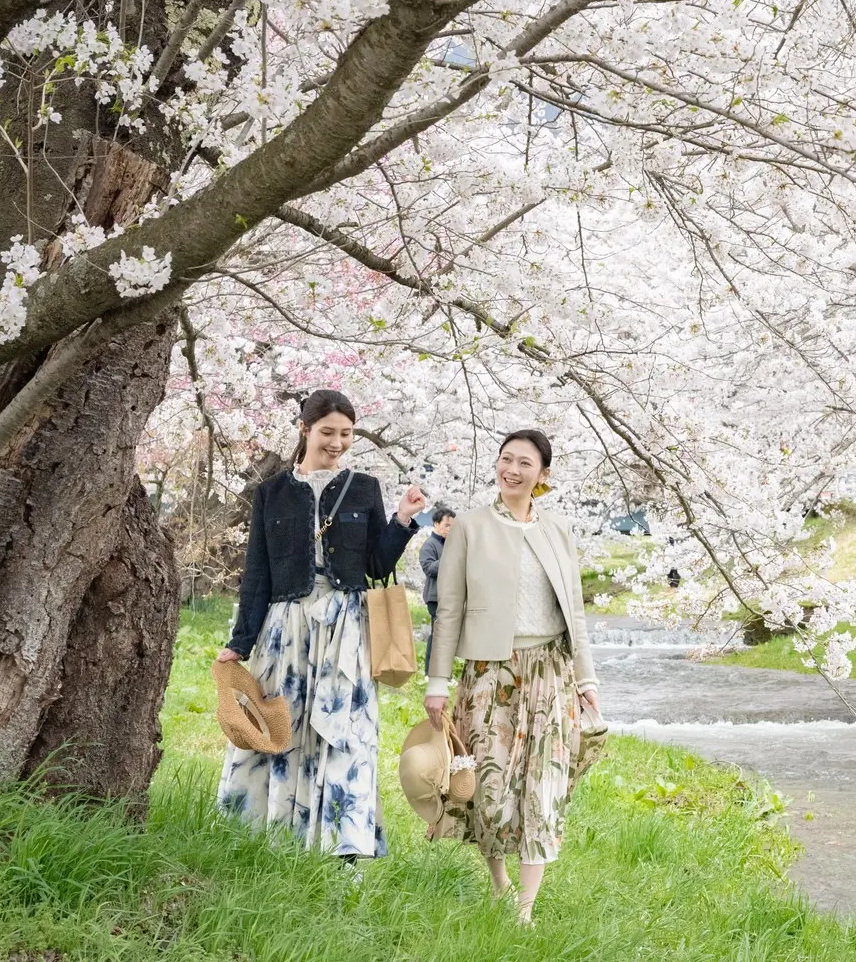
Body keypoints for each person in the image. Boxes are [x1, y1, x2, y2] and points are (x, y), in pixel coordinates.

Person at [216, 389, 426, 862]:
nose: (337, 442)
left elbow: (375, 564)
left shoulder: (365, 487)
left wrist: (402, 521)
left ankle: (342, 851)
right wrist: (240, 641)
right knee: (278, 727)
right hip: (286, 627)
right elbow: (258, 572)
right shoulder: (272, 492)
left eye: (346, 433)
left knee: (346, 733)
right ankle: (270, 841)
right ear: (305, 429)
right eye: (327, 432)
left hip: (346, 627)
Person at [425, 430, 599, 924]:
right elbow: (450, 609)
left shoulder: (558, 531)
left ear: (542, 475)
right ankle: (498, 880)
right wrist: (437, 682)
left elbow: (576, 614)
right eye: (506, 459)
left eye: (525, 463)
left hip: (549, 673)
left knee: (542, 785)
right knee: (489, 784)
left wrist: (587, 681)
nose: (513, 470)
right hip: (488, 673)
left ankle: (526, 910)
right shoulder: (470, 528)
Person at [418, 506, 456, 675]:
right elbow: (429, 569)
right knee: (437, 636)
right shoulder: (429, 545)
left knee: (446, 637)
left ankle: (443, 673)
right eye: (447, 525)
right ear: (436, 524)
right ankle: (430, 672)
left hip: (450, 596)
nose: (450, 529)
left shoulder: (451, 544)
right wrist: (448, 556)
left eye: (452, 526)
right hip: (435, 597)